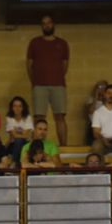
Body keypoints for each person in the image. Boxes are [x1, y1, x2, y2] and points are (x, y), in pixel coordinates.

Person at [25, 14, 70, 146]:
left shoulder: (62, 43)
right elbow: (29, 64)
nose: (47, 25)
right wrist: (34, 81)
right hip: (39, 85)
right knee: (39, 117)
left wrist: (57, 77)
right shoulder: (34, 42)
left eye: (49, 23)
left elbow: (65, 65)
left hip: (58, 85)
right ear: (41, 26)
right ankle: (38, 145)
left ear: (53, 24)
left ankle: (63, 146)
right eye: (44, 23)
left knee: (60, 116)